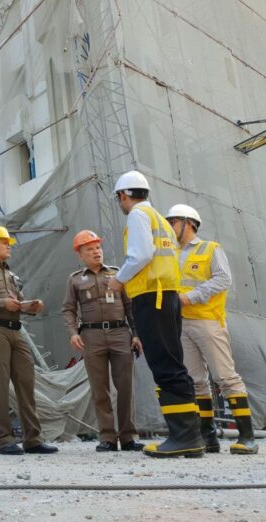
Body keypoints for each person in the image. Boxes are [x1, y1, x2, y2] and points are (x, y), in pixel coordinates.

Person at [106, 170, 204, 458]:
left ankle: (185, 437)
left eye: (120, 198)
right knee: (173, 362)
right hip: (167, 296)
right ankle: (190, 436)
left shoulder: (137, 216)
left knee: (164, 365)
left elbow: (140, 255)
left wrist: (119, 279)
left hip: (152, 297)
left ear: (123, 195)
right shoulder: (160, 219)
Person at [165, 204, 258, 455]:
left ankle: (247, 437)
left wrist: (191, 296)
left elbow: (223, 279)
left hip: (207, 320)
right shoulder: (171, 254)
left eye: (173, 222)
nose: (169, 227)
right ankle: (208, 438)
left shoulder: (210, 249)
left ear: (189, 223)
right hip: (182, 324)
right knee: (195, 382)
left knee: (225, 377)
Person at [0, 226, 58, 455]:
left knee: (26, 383)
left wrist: (32, 307)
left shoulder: (10, 275)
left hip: (16, 331)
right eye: (4, 242)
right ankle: (4, 439)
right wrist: (1, 305)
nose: (8, 246)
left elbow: (19, 301)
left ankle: (33, 439)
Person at [62, 230, 144, 452]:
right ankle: (107, 437)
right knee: (100, 388)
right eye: (90, 249)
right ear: (81, 255)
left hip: (120, 334)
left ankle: (128, 436)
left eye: (98, 248)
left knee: (125, 386)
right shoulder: (75, 279)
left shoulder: (118, 275)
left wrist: (136, 334)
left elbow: (130, 307)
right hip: (92, 336)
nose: (96, 252)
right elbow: (69, 309)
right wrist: (73, 333)